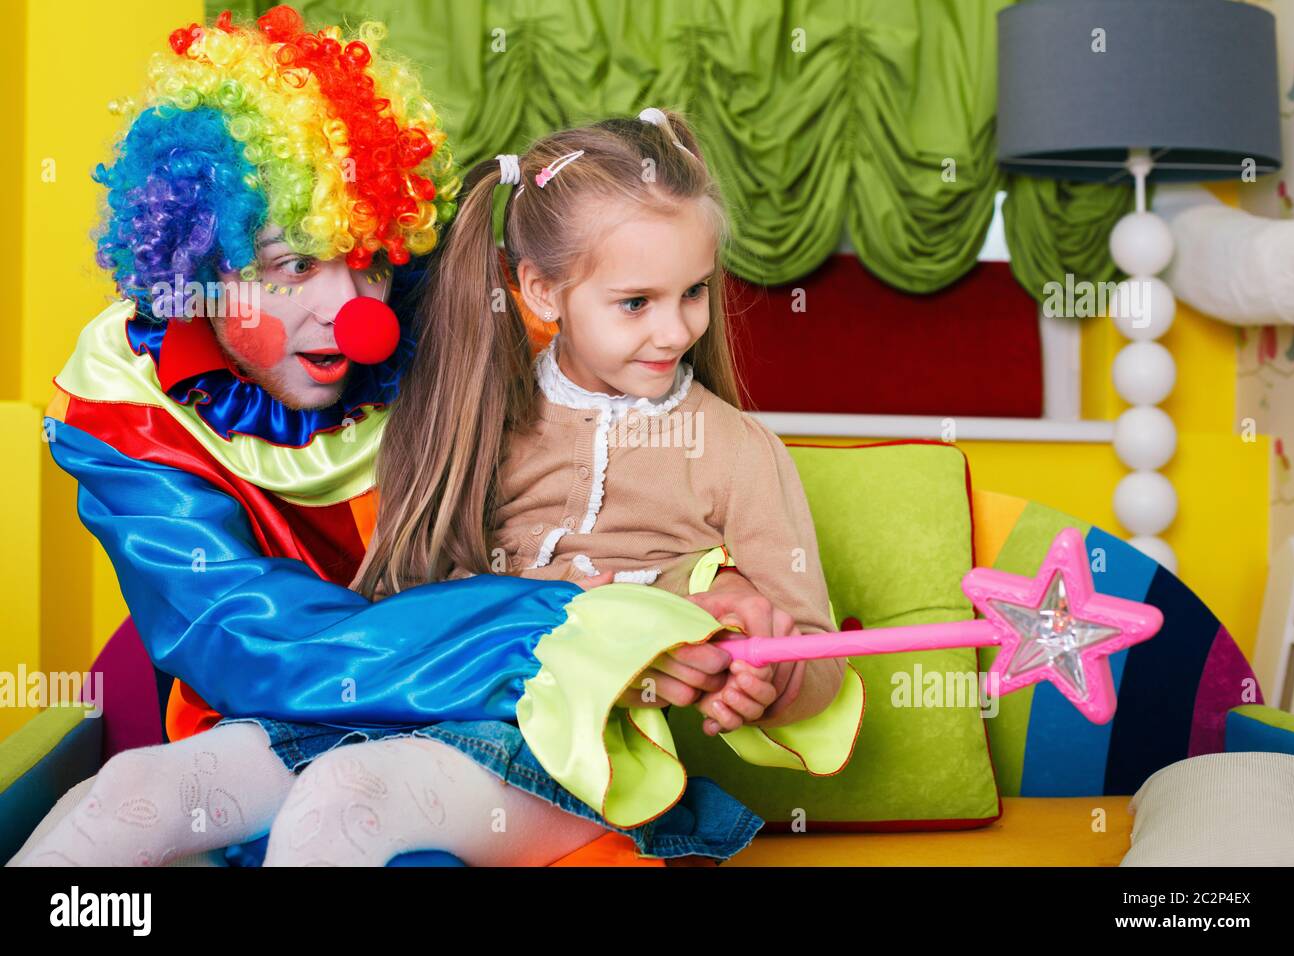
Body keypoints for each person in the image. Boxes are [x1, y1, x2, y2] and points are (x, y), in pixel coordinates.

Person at [12, 8, 828, 868]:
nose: (357, 313)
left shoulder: (477, 361)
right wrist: (585, 623)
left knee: (340, 808)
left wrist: (740, 631)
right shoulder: (129, 406)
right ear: (203, 272)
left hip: (550, 749)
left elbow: (795, 637)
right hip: (340, 712)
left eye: (368, 258)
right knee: (121, 799)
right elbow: (259, 635)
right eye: (297, 264)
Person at [233, 107, 866, 866]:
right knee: (155, 791)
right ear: (539, 290)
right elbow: (400, 606)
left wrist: (778, 676)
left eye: (694, 291)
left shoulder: (739, 451)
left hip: (585, 773)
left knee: (342, 798)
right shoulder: (471, 421)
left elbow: (815, 644)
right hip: (421, 714)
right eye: (636, 303)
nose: (675, 331)